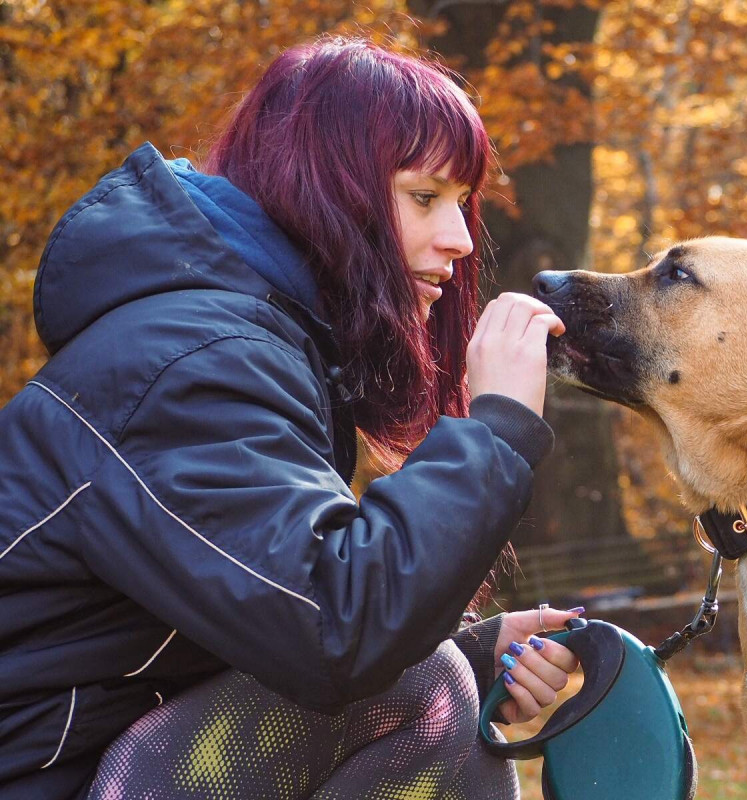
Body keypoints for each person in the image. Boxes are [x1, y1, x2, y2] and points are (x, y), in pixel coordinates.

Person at [0, 36, 581, 799]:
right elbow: (332, 628)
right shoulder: (189, 363)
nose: (461, 239)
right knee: (427, 692)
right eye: (423, 196)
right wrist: (496, 428)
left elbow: (264, 623)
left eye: (461, 203)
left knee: (453, 708)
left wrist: (476, 658)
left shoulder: (231, 345)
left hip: (100, 763)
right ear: (326, 189)